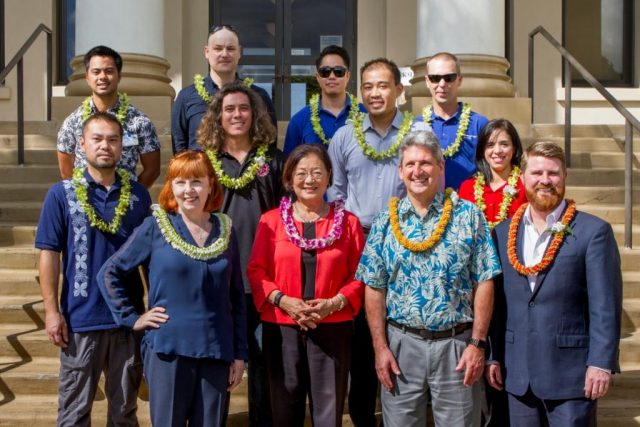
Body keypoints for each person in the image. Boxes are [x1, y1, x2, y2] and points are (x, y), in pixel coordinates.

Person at [356, 131, 501, 427]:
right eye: (410, 164)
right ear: (400, 170)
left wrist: (477, 343)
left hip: (456, 347)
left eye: (425, 163)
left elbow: (484, 280)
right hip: (401, 347)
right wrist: (380, 347)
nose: (417, 171)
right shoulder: (385, 222)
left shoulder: (468, 216)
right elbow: (374, 287)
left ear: (440, 166)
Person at [97, 150, 247, 427]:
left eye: (197, 181)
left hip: (216, 351)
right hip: (168, 351)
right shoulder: (156, 226)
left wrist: (239, 354)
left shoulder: (226, 230)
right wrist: (133, 318)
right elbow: (109, 272)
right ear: (171, 187)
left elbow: (236, 297)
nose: (189, 190)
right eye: (180, 182)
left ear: (211, 185)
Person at [487, 141, 622, 426]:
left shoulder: (593, 232)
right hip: (517, 374)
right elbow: (498, 306)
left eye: (553, 173)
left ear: (565, 177)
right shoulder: (501, 233)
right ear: (522, 177)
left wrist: (600, 363)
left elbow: (605, 305)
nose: (545, 181)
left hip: (572, 377)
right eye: (537, 173)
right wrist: (493, 356)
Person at [35, 112, 152, 426]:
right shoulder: (60, 195)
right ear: (81, 144)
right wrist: (51, 311)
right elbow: (48, 253)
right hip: (80, 319)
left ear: (121, 148)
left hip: (128, 320)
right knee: (74, 413)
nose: (105, 146)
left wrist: (152, 308)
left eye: (112, 139)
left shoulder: (139, 196)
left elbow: (151, 258)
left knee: (125, 413)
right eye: (97, 139)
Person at [327, 57, 426, 427]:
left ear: (399, 90)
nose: (374, 93)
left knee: (399, 333)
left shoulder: (418, 134)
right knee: (359, 340)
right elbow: (335, 195)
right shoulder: (344, 137)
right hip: (357, 245)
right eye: (367, 86)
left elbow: (430, 189)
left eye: (382, 85)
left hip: (408, 246)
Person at [247, 144, 365, 427]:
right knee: (284, 410)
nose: (309, 180)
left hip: (333, 327)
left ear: (329, 177)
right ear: (289, 179)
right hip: (282, 327)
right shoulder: (271, 221)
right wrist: (282, 300)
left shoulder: (348, 223)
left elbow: (362, 274)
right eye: (301, 173)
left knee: (328, 412)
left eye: (317, 173)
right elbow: (256, 271)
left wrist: (334, 303)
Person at [197, 81, 284, 427]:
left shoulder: (274, 161)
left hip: (264, 281)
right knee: (219, 364)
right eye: (229, 109)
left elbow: (286, 217)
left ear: (255, 114)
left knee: (264, 368)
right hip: (219, 277)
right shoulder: (205, 162)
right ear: (218, 116)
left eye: (244, 108)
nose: (237, 115)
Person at [57, 45, 161, 188]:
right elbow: (66, 170)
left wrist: (134, 197)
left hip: (125, 203)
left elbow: (152, 169)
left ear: (119, 77)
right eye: (96, 72)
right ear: (87, 78)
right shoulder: (72, 122)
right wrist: (81, 197)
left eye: (109, 71)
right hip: (86, 202)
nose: (102, 77)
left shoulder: (139, 121)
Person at [172, 24, 277, 154]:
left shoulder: (259, 96)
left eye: (231, 49)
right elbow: (179, 149)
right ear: (206, 52)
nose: (224, 54)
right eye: (218, 48)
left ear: (239, 52)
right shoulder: (186, 97)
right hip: (200, 173)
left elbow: (270, 144)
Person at [419, 52, 489, 190]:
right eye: (435, 78)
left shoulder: (479, 124)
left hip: (469, 204)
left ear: (460, 80)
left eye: (449, 78)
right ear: (427, 81)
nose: (442, 84)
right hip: (430, 204)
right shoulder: (416, 125)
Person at [283, 45, 365, 156]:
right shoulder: (299, 121)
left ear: (348, 76)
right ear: (318, 77)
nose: (331, 76)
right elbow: (290, 166)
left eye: (338, 71)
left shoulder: (365, 114)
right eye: (325, 72)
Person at [459, 118, 528, 230]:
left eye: (504, 144)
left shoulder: (526, 184)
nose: (497, 150)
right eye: (490, 145)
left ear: (514, 148)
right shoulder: (467, 188)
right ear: (483, 150)